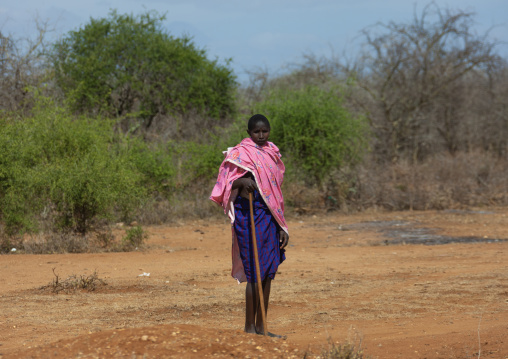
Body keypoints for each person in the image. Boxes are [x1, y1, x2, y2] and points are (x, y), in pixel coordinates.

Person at [210, 114, 289, 336]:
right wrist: (242, 181)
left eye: (265, 131)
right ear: (249, 133)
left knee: (268, 273)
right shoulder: (240, 154)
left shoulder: (271, 153)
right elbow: (225, 183)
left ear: (270, 130)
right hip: (249, 218)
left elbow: (275, 194)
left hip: (269, 217)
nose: (261, 136)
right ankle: (249, 328)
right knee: (255, 273)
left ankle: (263, 327)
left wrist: (281, 226)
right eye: (257, 132)